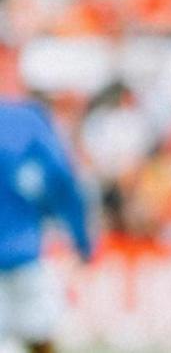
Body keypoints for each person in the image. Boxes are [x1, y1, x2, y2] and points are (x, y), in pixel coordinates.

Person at [0, 99, 93, 353]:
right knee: (41, 336)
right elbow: (63, 182)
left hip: (21, 254)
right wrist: (82, 241)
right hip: (24, 255)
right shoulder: (31, 123)